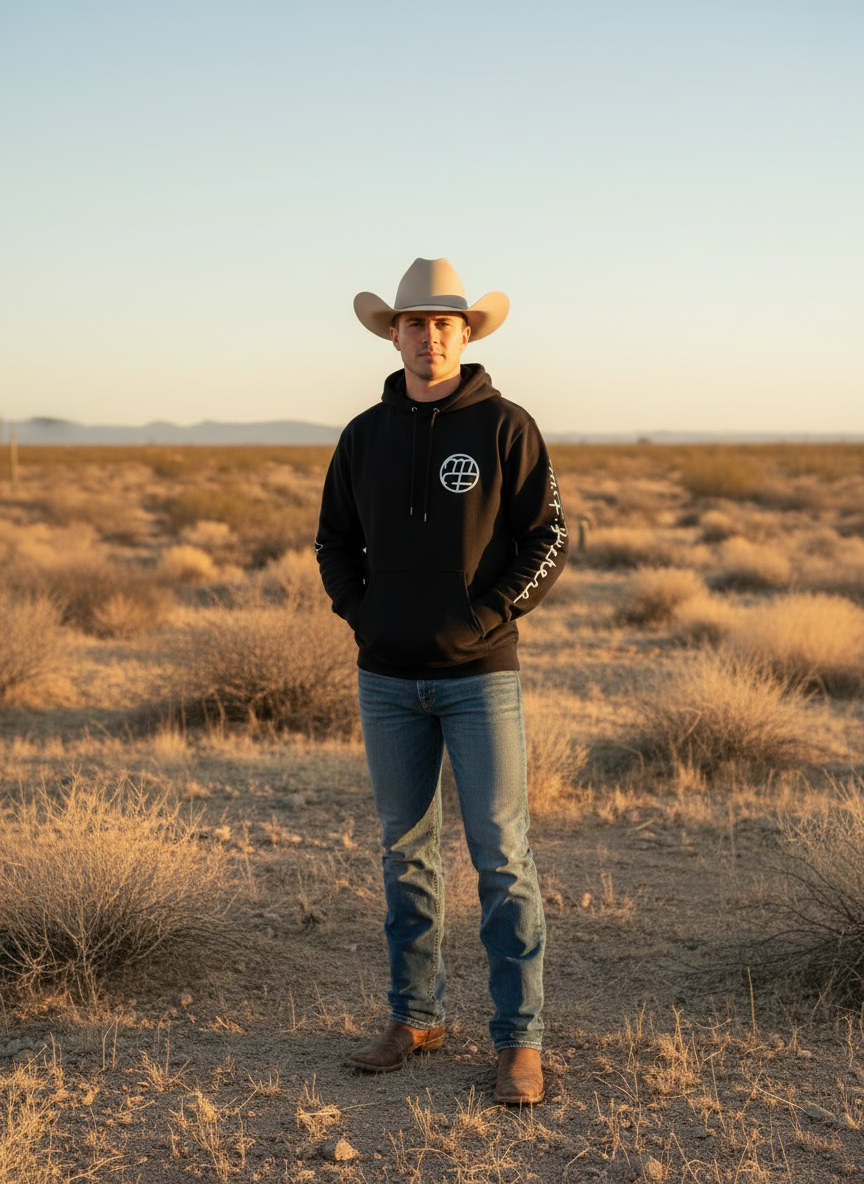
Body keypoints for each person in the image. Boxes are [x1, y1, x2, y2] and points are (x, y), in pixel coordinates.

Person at [315, 258, 568, 1105]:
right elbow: (332, 544)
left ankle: (519, 1043)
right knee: (404, 854)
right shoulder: (363, 435)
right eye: (414, 324)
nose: (429, 338)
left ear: (466, 335)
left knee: (502, 858)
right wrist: (365, 616)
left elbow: (550, 539)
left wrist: (486, 616)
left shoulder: (506, 426)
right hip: (386, 682)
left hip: (478, 679)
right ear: (394, 333)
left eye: (444, 325)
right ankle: (415, 1017)